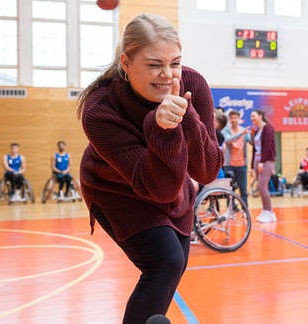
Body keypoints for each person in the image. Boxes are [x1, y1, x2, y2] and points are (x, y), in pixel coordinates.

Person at [76, 13, 223, 324]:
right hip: (116, 189)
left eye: (175, 63)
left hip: (171, 182)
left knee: (177, 260)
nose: (167, 75)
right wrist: (164, 128)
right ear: (126, 64)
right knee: (165, 261)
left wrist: (185, 115)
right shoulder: (100, 109)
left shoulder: (193, 84)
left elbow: (207, 171)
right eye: (154, 65)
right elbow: (155, 188)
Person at [250, 109, 276, 223]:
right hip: (257, 159)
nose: (252, 118)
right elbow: (255, 149)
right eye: (251, 116)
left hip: (266, 160)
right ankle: (265, 210)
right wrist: (252, 166)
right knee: (260, 187)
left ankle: (269, 212)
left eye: (254, 116)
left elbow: (266, 146)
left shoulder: (267, 128)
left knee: (262, 185)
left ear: (260, 116)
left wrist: (262, 161)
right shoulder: (256, 131)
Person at [221, 109, 251, 205]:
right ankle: (231, 209)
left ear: (239, 119)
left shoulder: (244, 131)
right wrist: (241, 134)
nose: (233, 120)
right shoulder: (226, 130)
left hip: (242, 164)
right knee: (230, 190)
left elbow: (251, 141)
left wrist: (254, 134)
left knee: (243, 189)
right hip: (229, 164)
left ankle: (244, 209)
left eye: (235, 118)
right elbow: (228, 140)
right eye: (231, 118)